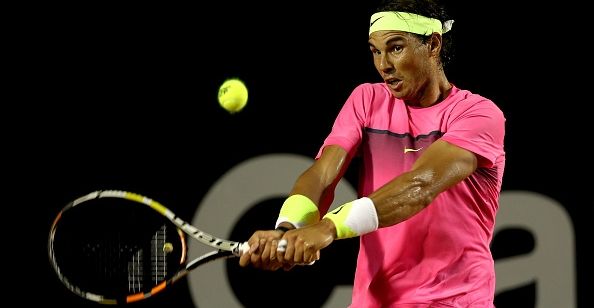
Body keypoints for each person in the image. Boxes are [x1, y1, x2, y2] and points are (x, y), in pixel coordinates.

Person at [239, 0, 506, 306]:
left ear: (433, 45)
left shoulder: (479, 114)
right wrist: (287, 229)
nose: (383, 65)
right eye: (375, 51)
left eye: (395, 48)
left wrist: (327, 228)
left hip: (456, 299)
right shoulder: (367, 100)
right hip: (374, 300)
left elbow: (420, 186)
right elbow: (325, 173)